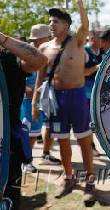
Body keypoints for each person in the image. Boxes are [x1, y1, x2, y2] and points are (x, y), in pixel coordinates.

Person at [31, 0, 96, 204]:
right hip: (55, 100)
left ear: (66, 25)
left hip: (77, 98)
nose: (51, 25)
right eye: (49, 21)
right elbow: (40, 78)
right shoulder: (44, 49)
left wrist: (80, 2)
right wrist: (34, 104)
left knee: (85, 142)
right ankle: (68, 177)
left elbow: (85, 25)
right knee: (63, 142)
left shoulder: (77, 42)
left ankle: (90, 181)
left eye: (55, 21)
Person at [0, 32, 47, 209]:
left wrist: (2, 39)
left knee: (8, 199)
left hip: (7, 147)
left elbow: (40, 61)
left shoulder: (8, 58)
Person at [20, 24, 61, 174]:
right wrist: (25, 88)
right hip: (28, 99)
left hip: (46, 96)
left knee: (50, 128)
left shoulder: (50, 51)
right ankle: (26, 161)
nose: (50, 39)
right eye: (47, 37)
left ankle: (46, 154)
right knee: (30, 132)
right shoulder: (25, 53)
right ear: (38, 39)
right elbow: (14, 74)